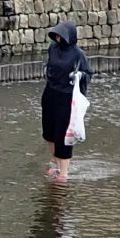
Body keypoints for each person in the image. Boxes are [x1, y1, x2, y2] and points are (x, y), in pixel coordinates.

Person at [39, 22, 94, 184]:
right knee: (49, 133)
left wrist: (79, 76)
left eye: (61, 36)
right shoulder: (53, 49)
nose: (58, 38)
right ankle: (56, 165)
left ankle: (64, 173)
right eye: (57, 36)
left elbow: (88, 73)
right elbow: (49, 65)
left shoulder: (78, 54)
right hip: (50, 94)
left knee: (63, 135)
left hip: (67, 98)